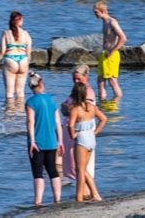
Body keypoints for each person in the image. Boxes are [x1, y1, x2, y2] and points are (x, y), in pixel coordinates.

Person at [26, 71, 63, 206]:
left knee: (38, 173)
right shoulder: (51, 100)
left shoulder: (31, 102)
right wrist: (60, 141)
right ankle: (57, 200)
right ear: (41, 83)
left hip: (38, 143)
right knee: (53, 171)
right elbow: (58, 123)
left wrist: (32, 141)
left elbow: (30, 122)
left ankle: (38, 202)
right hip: (52, 142)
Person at [68, 82, 107, 202]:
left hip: (82, 139)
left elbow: (70, 125)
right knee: (83, 169)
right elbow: (104, 119)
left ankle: (79, 197)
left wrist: (72, 136)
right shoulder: (91, 107)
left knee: (79, 171)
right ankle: (95, 194)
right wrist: (95, 132)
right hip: (91, 138)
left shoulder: (75, 109)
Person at [60, 64, 96, 185]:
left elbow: (84, 110)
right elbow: (65, 106)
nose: (76, 81)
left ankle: (89, 193)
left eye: (79, 79)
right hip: (72, 132)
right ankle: (84, 193)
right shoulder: (76, 92)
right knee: (75, 166)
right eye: (74, 79)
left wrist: (68, 109)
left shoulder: (88, 92)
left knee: (82, 167)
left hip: (79, 132)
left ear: (86, 77)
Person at [0, 11, 32, 100]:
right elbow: (29, 53)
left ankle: (10, 112)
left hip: (10, 60)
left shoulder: (6, 33)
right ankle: (20, 111)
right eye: (22, 19)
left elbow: (2, 51)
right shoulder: (26, 34)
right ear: (19, 20)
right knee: (20, 92)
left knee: (9, 92)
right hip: (23, 60)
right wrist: (27, 64)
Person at [93, 1, 127, 101]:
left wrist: (112, 50)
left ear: (102, 11)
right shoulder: (104, 22)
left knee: (112, 81)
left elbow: (123, 38)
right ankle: (103, 102)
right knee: (100, 80)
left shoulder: (112, 22)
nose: (95, 15)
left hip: (112, 54)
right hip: (104, 53)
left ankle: (116, 102)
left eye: (96, 12)